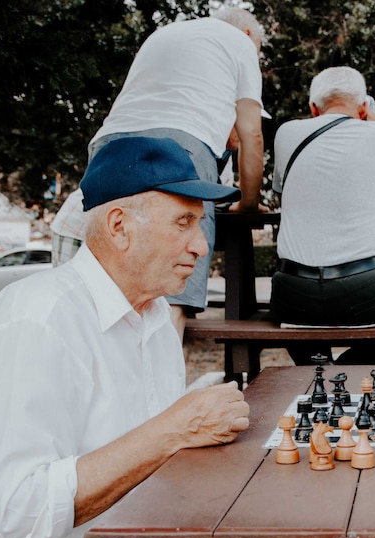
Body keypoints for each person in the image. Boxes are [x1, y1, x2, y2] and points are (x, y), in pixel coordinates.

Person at [0, 137, 251, 538]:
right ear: (119, 227)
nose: (201, 245)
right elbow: (23, 511)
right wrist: (175, 429)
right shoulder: (39, 318)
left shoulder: (153, 317)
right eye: (183, 222)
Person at [57, 7, 267, 341]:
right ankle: (163, 390)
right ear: (247, 36)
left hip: (109, 144)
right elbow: (251, 134)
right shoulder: (239, 43)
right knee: (174, 285)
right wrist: (250, 203)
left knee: (108, 285)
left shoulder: (167, 34)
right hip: (180, 146)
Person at [269, 66, 375, 365]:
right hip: (369, 286)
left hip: (293, 292)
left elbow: (285, 192)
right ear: (363, 109)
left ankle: (316, 366)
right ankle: (344, 371)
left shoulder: (286, 134)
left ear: (313, 109)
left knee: (297, 311)